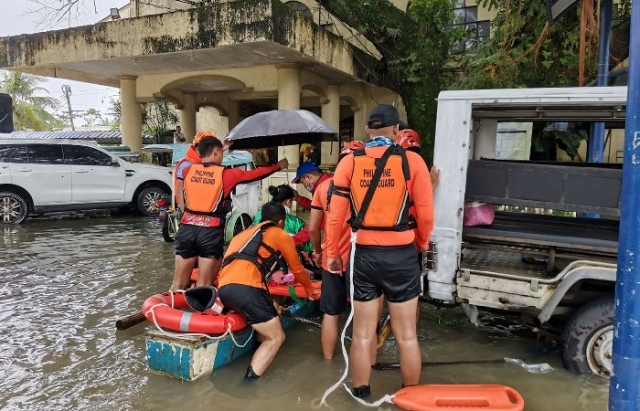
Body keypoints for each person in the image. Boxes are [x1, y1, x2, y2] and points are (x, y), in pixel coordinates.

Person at [325, 104, 434, 398]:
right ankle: (410, 397)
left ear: (368, 131)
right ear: (397, 130)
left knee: (362, 333)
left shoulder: (349, 163)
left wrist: (333, 252)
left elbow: (335, 215)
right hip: (402, 255)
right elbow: (425, 214)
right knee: (407, 335)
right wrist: (421, 244)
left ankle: (361, 393)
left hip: (364, 255)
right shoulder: (412, 162)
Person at [170, 136, 289, 292]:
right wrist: (278, 166)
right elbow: (256, 174)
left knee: (178, 284)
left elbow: (202, 164)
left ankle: (167, 310)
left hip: (186, 229)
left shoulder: (187, 170)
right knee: (204, 286)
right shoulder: (228, 175)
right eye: (221, 153)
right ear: (216, 151)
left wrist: (220, 149)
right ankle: (201, 313)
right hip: (209, 233)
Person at [217, 202, 319, 380]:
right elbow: (297, 269)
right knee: (277, 337)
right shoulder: (280, 234)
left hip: (224, 289)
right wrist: (310, 289)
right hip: (247, 290)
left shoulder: (243, 235)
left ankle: (258, 348)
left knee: (267, 321)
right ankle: (249, 384)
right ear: (281, 222)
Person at [308, 140, 369, 360]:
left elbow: (313, 229)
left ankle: (327, 363)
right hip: (363, 259)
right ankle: (364, 364)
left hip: (331, 259)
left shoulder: (324, 187)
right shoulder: (370, 184)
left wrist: (317, 252)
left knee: (330, 314)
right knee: (364, 316)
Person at [252, 185, 313, 254]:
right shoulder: (295, 222)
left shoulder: (260, 214)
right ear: (288, 201)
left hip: (261, 258)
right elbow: (309, 247)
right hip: (286, 262)